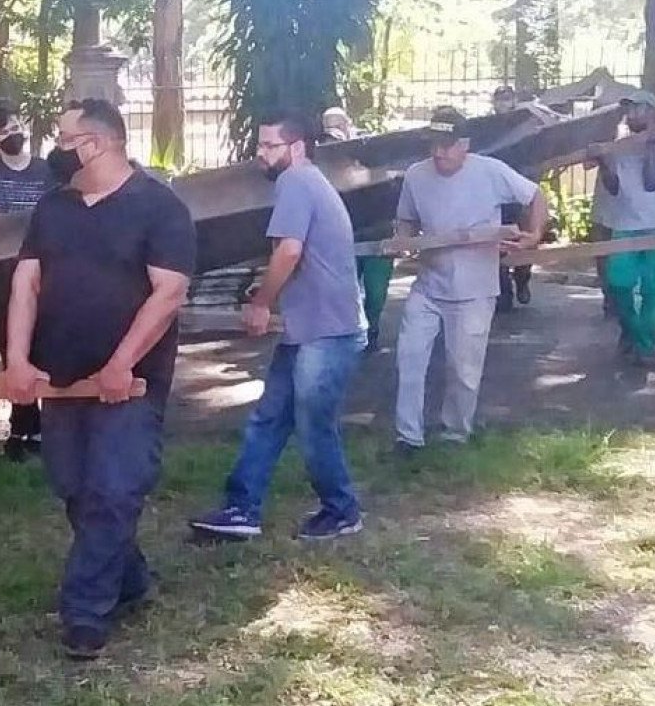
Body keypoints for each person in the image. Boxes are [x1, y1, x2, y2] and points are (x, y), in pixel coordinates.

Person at [5, 98, 195, 660]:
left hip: (129, 385)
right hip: (61, 381)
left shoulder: (159, 208)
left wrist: (121, 364)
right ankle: (129, 579)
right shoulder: (53, 210)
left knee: (114, 488)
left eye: (64, 139)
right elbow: (25, 286)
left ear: (97, 143)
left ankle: (84, 611)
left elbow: (169, 293)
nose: (55, 150)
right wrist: (17, 361)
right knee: (74, 486)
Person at [190, 112, 366, 541]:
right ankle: (241, 508)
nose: (261, 154)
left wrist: (261, 304)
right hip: (311, 328)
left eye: (271, 146)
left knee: (312, 424)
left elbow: (288, 251)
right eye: (260, 145)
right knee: (270, 418)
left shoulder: (297, 182)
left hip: (328, 330)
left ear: (298, 147)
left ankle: (342, 510)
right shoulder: (307, 183)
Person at [390, 108, 548, 452]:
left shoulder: (490, 171)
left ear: (465, 144)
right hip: (429, 284)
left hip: (476, 288)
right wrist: (403, 241)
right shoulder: (417, 175)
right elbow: (406, 219)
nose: (438, 152)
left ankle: (455, 434)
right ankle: (408, 437)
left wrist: (534, 234)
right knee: (409, 358)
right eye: (433, 144)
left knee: (463, 369)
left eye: (446, 145)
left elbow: (534, 195)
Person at [0, 98, 55, 461]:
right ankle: (22, 425)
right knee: (14, 350)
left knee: (47, 347)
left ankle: (49, 427)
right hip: (6, 274)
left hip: (49, 269)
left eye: (16, 126)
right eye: (4, 131)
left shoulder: (47, 170)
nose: (13, 134)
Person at [588, 90, 655, 368]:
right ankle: (631, 332)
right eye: (629, 110)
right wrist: (604, 161)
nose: (632, 115)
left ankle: (646, 346)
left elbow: (652, 182)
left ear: (652, 113)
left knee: (653, 290)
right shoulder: (618, 146)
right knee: (618, 284)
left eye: (639, 109)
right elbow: (613, 188)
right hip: (624, 225)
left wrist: (649, 146)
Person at [325, 105, 394, 350]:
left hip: (378, 234)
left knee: (376, 293)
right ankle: (352, 333)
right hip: (345, 239)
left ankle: (371, 328)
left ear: (348, 125)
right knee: (344, 291)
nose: (333, 132)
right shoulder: (323, 160)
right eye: (328, 127)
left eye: (338, 125)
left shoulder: (372, 150)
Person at [492, 85, 536, 312]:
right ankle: (504, 293)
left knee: (522, 241)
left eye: (506, 99)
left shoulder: (524, 124)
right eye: (498, 100)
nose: (502, 104)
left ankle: (522, 280)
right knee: (496, 243)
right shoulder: (487, 129)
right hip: (495, 195)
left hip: (520, 192)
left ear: (514, 100)